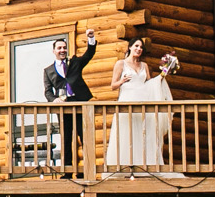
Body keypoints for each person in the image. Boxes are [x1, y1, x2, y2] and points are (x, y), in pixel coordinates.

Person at [106, 40, 179, 169]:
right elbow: (113, 85)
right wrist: (122, 80)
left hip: (142, 102)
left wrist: (162, 75)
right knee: (126, 134)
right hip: (126, 102)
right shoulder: (121, 64)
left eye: (141, 47)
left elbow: (149, 84)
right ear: (130, 47)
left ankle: (145, 166)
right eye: (136, 46)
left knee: (143, 134)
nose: (139, 49)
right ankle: (124, 167)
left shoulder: (144, 65)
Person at [42, 30, 99, 165]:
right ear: (54, 51)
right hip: (63, 106)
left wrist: (91, 39)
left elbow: (89, 54)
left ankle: (86, 169)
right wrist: (54, 100)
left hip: (79, 102)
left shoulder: (74, 62)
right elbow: (48, 91)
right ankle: (68, 170)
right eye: (59, 48)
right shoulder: (48, 70)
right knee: (66, 138)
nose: (62, 50)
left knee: (83, 135)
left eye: (64, 48)